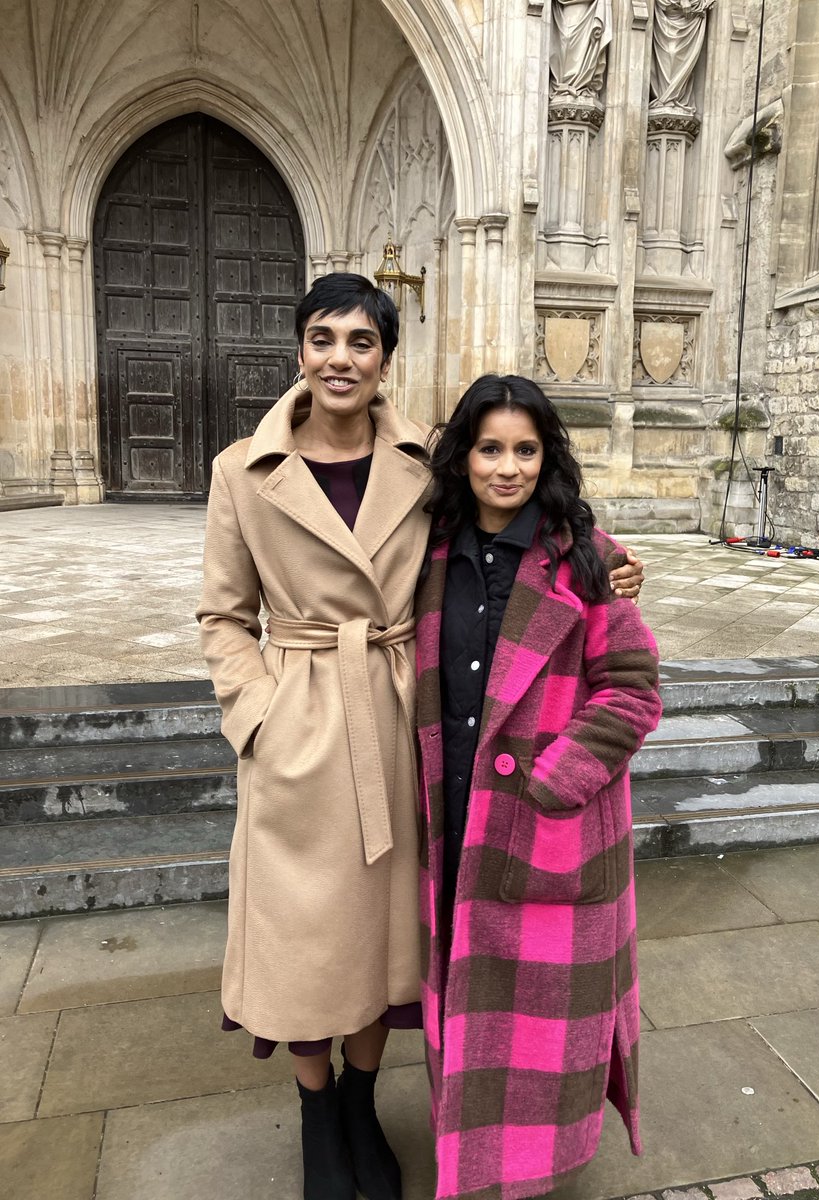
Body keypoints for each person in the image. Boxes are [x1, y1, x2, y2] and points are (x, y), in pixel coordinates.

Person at [197, 275, 645, 1200]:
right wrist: (257, 713)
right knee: (305, 939)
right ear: (298, 351)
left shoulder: (419, 468)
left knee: (384, 940)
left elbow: (519, 523)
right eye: (323, 339)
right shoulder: (241, 469)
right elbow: (222, 615)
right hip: (301, 731)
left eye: (361, 342)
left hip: (404, 728)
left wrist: (615, 558)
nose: (340, 359)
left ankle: (362, 1106)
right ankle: (320, 1116)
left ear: (386, 359)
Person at [415, 374, 662, 1200]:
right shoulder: (425, 554)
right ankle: (469, 1158)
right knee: (463, 1004)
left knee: (541, 1027)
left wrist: (557, 779)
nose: (508, 468)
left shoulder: (592, 561)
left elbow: (631, 688)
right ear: (463, 456)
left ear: (546, 457)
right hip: (450, 813)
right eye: (490, 448)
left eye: (526, 449)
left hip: (545, 825)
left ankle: (530, 1173)